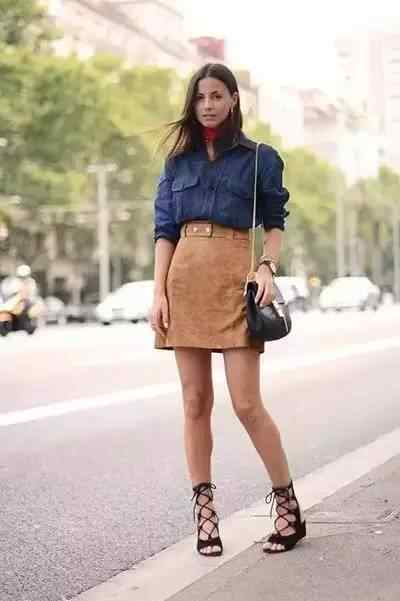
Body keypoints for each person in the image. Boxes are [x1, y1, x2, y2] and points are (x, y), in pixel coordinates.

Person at [150, 63, 306, 557]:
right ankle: (205, 517)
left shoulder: (259, 158)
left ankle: (288, 508)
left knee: (246, 404)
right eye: (200, 98)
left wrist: (267, 267)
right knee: (195, 402)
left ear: (234, 99)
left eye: (217, 95)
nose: (208, 105)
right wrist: (159, 293)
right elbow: (164, 231)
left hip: (235, 282)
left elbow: (275, 221)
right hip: (184, 280)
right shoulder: (178, 162)